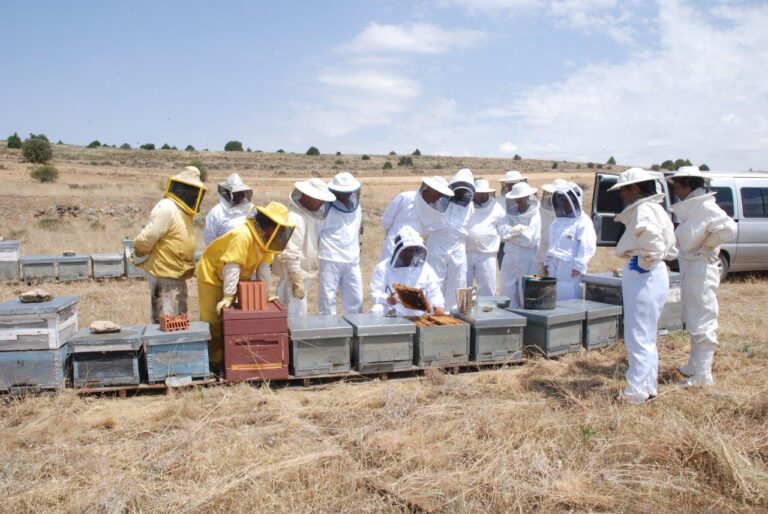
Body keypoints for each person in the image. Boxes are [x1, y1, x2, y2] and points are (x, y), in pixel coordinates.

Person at [196, 202, 295, 373]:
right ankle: (214, 364)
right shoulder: (243, 234)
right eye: (278, 228)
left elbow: (264, 268)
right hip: (212, 275)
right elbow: (232, 266)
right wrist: (228, 296)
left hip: (235, 276)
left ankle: (230, 360)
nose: (280, 234)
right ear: (269, 224)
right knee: (213, 319)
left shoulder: (267, 242)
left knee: (232, 320)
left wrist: (264, 294)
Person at [610, 168, 678, 404]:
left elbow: (653, 244)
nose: (621, 196)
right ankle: (647, 387)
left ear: (635, 188)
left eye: (623, 190)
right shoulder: (655, 208)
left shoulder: (644, 209)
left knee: (637, 335)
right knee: (646, 335)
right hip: (652, 273)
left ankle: (636, 392)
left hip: (645, 275)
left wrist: (643, 262)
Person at [669, 166, 737, 387]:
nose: (676, 190)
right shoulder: (695, 208)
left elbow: (729, 229)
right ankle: (694, 365)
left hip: (701, 268)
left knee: (703, 319)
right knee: (693, 315)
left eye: (678, 185)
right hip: (691, 267)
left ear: (688, 184)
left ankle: (703, 376)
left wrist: (708, 245)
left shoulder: (707, 207)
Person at [133, 166, 206, 323]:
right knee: (166, 320)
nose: (192, 194)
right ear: (181, 188)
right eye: (189, 189)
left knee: (178, 319)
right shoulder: (166, 207)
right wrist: (139, 252)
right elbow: (148, 237)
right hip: (163, 273)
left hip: (177, 274)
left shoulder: (182, 211)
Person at [273, 178, 336, 316]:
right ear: (308, 197)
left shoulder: (303, 216)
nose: (322, 204)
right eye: (319, 199)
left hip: (299, 278)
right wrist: (297, 281)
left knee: (297, 318)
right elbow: (290, 252)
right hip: (292, 280)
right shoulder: (295, 218)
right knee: (294, 321)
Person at [421, 168, 475, 311]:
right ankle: (433, 311)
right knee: (434, 278)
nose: (461, 193)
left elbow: (467, 226)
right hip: (437, 242)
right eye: (459, 188)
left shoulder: (470, 207)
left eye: (465, 190)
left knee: (457, 280)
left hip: (458, 245)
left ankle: (453, 314)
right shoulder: (440, 200)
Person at [370, 226, 446, 317]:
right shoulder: (383, 268)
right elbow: (375, 292)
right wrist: (387, 298)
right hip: (394, 312)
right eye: (405, 250)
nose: (408, 253)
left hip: (420, 315)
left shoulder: (426, 268)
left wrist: (438, 305)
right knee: (377, 310)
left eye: (411, 250)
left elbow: (434, 290)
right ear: (398, 250)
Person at [318, 172, 364, 315]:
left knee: (356, 300)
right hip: (330, 258)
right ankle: (330, 334)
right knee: (328, 300)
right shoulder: (324, 209)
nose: (345, 196)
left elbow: (355, 231)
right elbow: (317, 233)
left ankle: (355, 334)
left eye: (348, 192)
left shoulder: (357, 208)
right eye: (342, 192)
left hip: (352, 260)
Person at [544, 182, 596, 300]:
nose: (565, 204)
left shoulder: (583, 222)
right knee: (553, 299)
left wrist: (578, 266)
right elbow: (552, 244)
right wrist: (547, 262)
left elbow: (587, 246)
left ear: (576, 201)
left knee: (570, 302)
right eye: (563, 201)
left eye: (568, 201)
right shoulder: (557, 222)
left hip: (570, 268)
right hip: (554, 266)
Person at [499, 182, 541, 307]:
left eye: (520, 197)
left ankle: (529, 321)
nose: (518, 200)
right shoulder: (509, 213)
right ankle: (509, 318)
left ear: (527, 196)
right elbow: (502, 232)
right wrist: (518, 231)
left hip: (527, 257)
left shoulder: (535, 214)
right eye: (516, 198)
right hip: (510, 256)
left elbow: (531, 238)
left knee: (527, 290)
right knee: (507, 289)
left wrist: (513, 233)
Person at [466, 179, 506, 296]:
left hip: (487, 255)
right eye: (477, 193)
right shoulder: (467, 205)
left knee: (488, 287)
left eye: (482, 193)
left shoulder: (497, 208)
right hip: (466, 252)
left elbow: (503, 227)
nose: (480, 195)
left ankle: (488, 312)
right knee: (463, 286)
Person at [203, 173, 254, 246]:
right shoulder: (216, 212)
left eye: (240, 193)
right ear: (227, 192)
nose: (238, 196)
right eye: (236, 193)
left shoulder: (250, 209)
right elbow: (209, 239)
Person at [379, 188, 424, 261]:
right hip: (394, 245)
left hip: (414, 248)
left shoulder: (434, 207)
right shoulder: (404, 197)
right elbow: (386, 219)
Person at [497, 171, 529, 267]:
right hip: (504, 243)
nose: (511, 187)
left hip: (524, 244)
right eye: (509, 185)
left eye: (514, 185)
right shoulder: (499, 200)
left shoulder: (530, 202)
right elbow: (501, 222)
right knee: (506, 274)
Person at [536, 178, 567, 276]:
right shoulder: (540, 209)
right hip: (540, 255)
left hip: (558, 259)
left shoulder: (568, 213)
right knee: (538, 285)